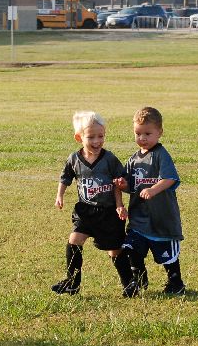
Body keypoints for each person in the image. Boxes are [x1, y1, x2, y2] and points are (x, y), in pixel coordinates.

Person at [51, 111, 135, 296]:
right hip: (85, 210)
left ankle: (129, 284)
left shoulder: (109, 159)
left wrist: (119, 205)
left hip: (108, 213)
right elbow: (65, 178)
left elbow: (117, 183)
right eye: (91, 137)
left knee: (114, 250)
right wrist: (59, 196)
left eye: (101, 136)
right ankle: (72, 283)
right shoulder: (74, 159)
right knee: (74, 240)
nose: (97, 141)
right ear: (79, 137)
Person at [114, 107, 186, 296]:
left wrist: (153, 190)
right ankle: (139, 277)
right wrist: (123, 185)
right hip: (139, 219)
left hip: (162, 220)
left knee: (167, 256)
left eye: (147, 133)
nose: (142, 138)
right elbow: (131, 186)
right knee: (131, 248)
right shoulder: (133, 160)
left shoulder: (161, 154)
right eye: (138, 133)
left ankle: (175, 282)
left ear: (159, 132)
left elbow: (170, 179)